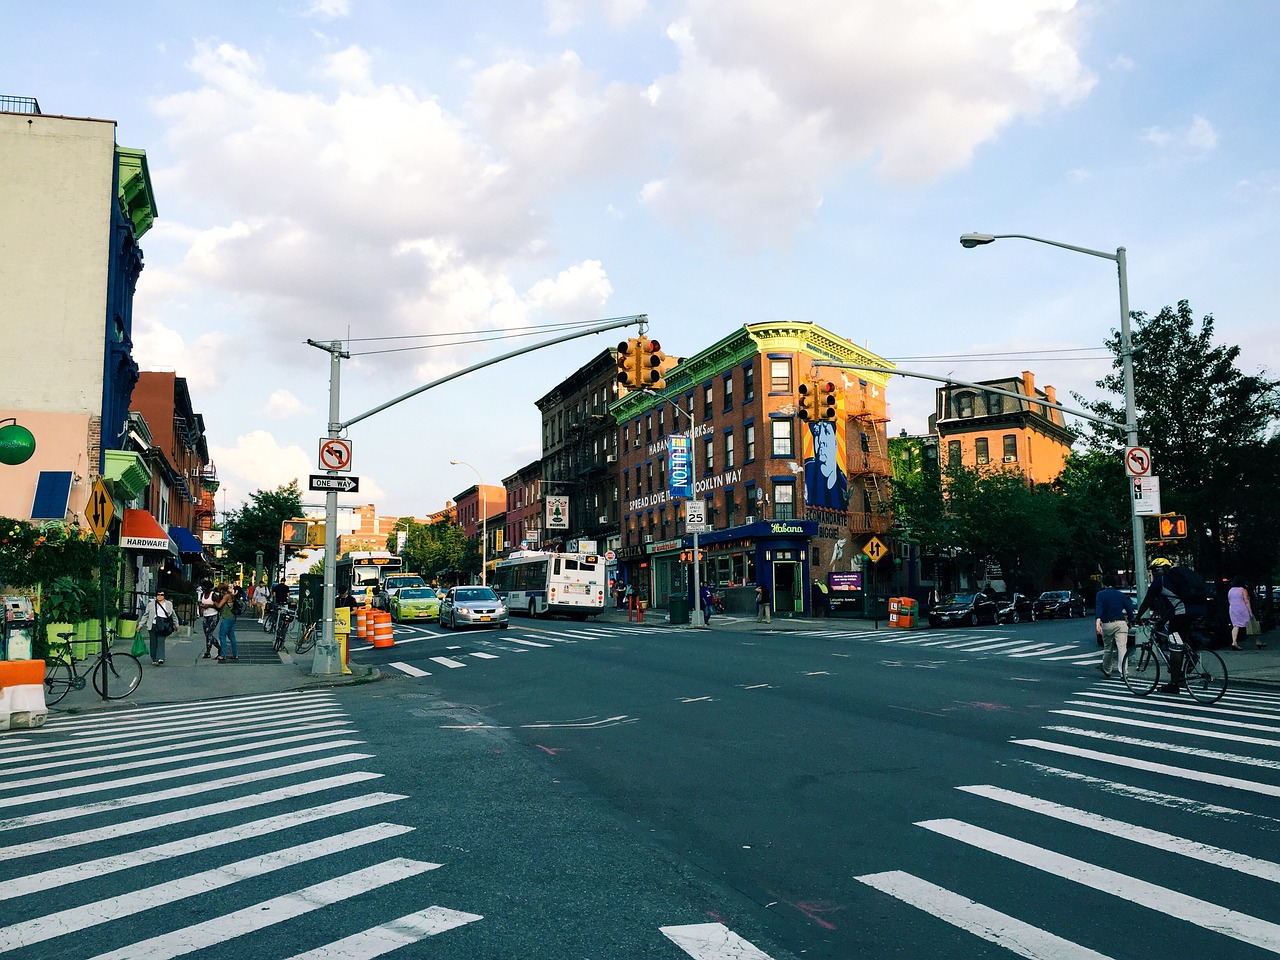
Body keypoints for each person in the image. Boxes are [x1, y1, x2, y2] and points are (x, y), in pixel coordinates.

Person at [1136, 557, 1208, 694]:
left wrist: (1137, 617)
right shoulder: (1180, 580)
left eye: (1154, 570)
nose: (1153, 574)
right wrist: (1162, 622)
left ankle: (1174, 684)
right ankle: (1190, 657)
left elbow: (1147, 601)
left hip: (1182, 614)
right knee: (1181, 638)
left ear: (1161, 569)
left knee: (1175, 647)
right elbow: (1173, 607)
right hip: (1198, 610)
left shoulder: (1161, 582)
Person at [1094, 575, 1135, 679]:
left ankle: (1107, 669)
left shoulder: (1100, 594)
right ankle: (1123, 672)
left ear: (1104, 583)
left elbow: (1099, 608)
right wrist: (1130, 621)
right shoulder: (1120, 595)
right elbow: (1129, 609)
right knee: (1122, 648)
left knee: (1108, 648)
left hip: (1107, 623)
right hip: (1121, 623)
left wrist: (1098, 622)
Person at [803, 420, 849, 510]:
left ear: (835, 443)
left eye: (827, 432)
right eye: (816, 433)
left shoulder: (844, 484)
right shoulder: (804, 472)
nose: (821, 440)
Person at [139, 589, 177, 665]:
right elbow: (146, 615)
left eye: (161, 595)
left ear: (164, 596)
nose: (159, 596)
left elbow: (173, 615)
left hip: (163, 625)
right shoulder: (151, 604)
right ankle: (154, 658)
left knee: (161, 641)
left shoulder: (169, 604)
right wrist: (140, 624)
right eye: (158, 594)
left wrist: (176, 624)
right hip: (153, 625)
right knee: (153, 643)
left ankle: (160, 658)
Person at [1227, 575, 1262, 650]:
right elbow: (1246, 601)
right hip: (1242, 609)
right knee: (1252, 624)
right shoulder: (1243, 590)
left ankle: (1234, 642)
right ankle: (1257, 641)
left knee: (1236, 625)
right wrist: (1250, 612)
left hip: (1233, 609)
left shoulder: (1231, 590)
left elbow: (1229, 600)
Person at [215, 582, 239, 662]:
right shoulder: (230, 595)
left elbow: (219, 606)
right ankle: (235, 654)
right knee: (231, 636)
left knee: (222, 636)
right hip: (232, 617)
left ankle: (223, 655)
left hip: (227, 618)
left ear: (221, 589)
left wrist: (214, 602)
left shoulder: (226, 596)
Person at [198, 579, 221, 659]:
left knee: (209, 632)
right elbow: (201, 603)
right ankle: (212, 649)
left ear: (209, 588)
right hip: (206, 615)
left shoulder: (214, 595)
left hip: (213, 615)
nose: (204, 590)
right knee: (207, 633)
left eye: (205, 589)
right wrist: (201, 609)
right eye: (203, 589)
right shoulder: (202, 595)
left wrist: (209, 606)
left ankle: (211, 650)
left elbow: (219, 606)